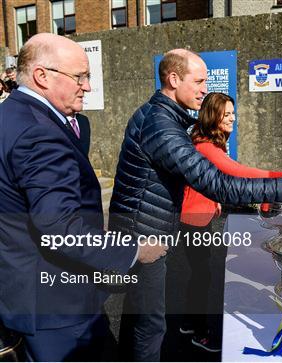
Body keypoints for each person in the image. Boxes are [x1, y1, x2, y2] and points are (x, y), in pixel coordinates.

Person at [108, 49, 282, 361]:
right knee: (150, 326)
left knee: (138, 317)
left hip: (143, 231)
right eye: (199, 81)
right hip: (144, 237)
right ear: (174, 79)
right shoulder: (161, 126)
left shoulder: (160, 117)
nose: (204, 88)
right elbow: (218, 182)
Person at [0, 33, 166, 361]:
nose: (87, 87)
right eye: (80, 77)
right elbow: (59, 228)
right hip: (57, 304)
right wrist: (135, 250)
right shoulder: (39, 133)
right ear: (42, 76)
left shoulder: (11, 116)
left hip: (24, 288)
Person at [176, 92, 282, 353]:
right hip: (193, 220)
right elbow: (235, 172)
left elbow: (212, 178)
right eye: (226, 114)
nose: (232, 118)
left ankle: (189, 323)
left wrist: (213, 197)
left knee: (199, 275)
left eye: (232, 113)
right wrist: (279, 178)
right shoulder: (205, 145)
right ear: (213, 116)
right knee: (202, 275)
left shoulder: (210, 142)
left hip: (196, 216)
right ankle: (199, 332)